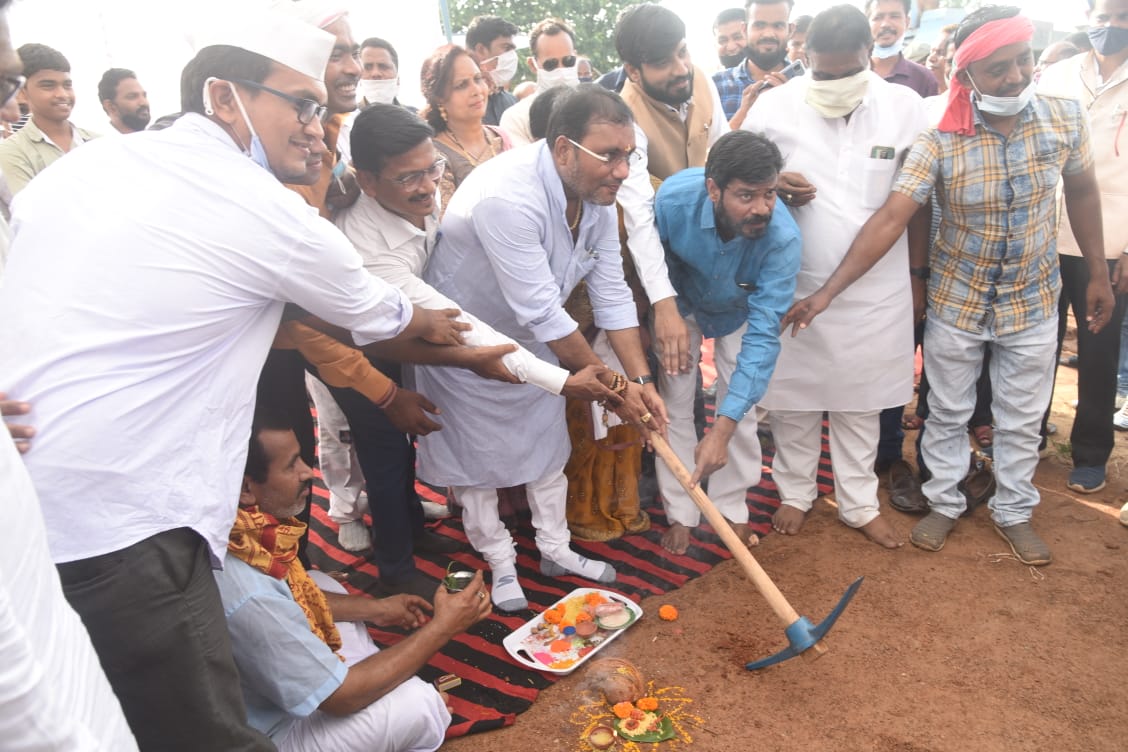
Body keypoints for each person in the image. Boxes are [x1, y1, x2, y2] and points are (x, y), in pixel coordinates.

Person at [0, 11, 510, 747]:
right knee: (200, 732)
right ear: (222, 97)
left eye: (321, 107)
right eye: (300, 104)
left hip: (32, 510)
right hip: (128, 527)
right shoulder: (258, 203)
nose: (316, 125)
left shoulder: (88, 168)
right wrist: (485, 353)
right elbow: (389, 321)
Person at [783, 6, 1114, 566]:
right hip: (957, 301)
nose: (1014, 77)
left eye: (1022, 61)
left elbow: (1081, 190)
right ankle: (944, 502)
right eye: (996, 69)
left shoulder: (1064, 117)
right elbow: (892, 216)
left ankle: (1014, 510)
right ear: (965, 77)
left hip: (1032, 300)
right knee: (947, 411)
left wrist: (1099, 272)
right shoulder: (940, 138)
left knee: (1020, 416)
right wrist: (828, 291)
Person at [414, 86, 667, 612]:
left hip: (539, 344)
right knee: (476, 467)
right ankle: (501, 562)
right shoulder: (509, 198)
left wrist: (639, 382)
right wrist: (615, 390)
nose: (622, 171)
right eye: (610, 155)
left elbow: (611, 290)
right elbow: (544, 312)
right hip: (467, 346)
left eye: (630, 155)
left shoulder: (591, 191)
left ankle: (555, 548)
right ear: (563, 149)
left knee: (546, 455)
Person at [744, 4, 927, 549]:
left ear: (870, 59)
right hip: (793, 280)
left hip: (876, 287)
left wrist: (918, 277)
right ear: (804, 58)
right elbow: (731, 175)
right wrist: (772, 180)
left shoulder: (906, 108)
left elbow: (916, 204)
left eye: (847, 73)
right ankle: (796, 493)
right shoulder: (774, 107)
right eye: (821, 74)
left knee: (860, 401)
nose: (833, 84)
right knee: (794, 401)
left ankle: (858, 503)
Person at [216, 413, 490, 751]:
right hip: (271, 737)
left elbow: (293, 595)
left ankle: (373, 678)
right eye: (291, 465)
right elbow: (340, 700)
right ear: (245, 488)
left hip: (265, 691)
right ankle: (378, 686)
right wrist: (442, 628)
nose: (307, 471)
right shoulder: (249, 594)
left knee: (319, 583)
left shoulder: (239, 534)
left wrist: (376, 609)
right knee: (419, 707)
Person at [653, 130, 801, 555]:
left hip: (741, 309)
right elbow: (651, 266)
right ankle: (682, 509)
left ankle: (730, 505)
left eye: (770, 194)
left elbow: (763, 334)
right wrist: (665, 314)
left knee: (740, 403)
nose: (762, 209)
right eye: (747, 196)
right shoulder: (672, 202)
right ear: (713, 189)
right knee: (676, 401)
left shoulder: (783, 239)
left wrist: (724, 426)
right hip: (679, 303)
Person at [1039, 0, 1128, 494]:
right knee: (1034, 347)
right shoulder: (1058, 74)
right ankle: (1027, 433)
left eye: (1121, 19)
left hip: (1110, 242)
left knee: (1098, 351)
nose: (1110, 27)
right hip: (1045, 236)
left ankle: (1091, 453)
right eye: (1103, 16)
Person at [421, 44, 509, 214]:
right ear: (439, 97)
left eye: (477, 79)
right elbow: (448, 221)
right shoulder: (435, 154)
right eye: (461, 85)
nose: (476, 90)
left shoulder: (501, 136)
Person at [0, 43, 96, 196]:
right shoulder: (12, 151)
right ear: (22, 93)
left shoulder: (98, 142)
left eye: (67, 85)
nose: (62, 94)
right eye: (48, 86)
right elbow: (31, 212)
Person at [713, 0, 796, 128]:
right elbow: (708, 147)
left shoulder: (807, 86)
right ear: (744, 29)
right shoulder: (715, 85)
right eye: (759, 25)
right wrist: (745, 112)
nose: (768, 34)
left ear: (790, 30)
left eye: (778, 25)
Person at [498, 17, 581, 146]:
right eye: (551, 64)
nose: (561, 70)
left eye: (568, 61)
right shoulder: (516, 118)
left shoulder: (599, 106)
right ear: (533, 64)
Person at [867, 0, 938, 98]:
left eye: (894, 16)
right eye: (878, 17)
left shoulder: (924, 78)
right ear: (867, 24)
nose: (885, 24)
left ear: (907, 22)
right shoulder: (852, 74)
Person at [465, 14, 520, 126]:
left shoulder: (511, 101)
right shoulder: (461, 104)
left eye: (512, 50)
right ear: (481, 50)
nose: (512, 56)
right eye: (506, 48)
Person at [98, 67, 150, 133]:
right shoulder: (101, 142)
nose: (143, 102)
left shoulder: (158, 139)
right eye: (132, 97)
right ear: (111, 107)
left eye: (144, 96)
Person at [926, 23, 958, 95]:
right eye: (931, 52)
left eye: (940, 52)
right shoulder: (919, 96)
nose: (931, 58)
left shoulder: (971, 101)